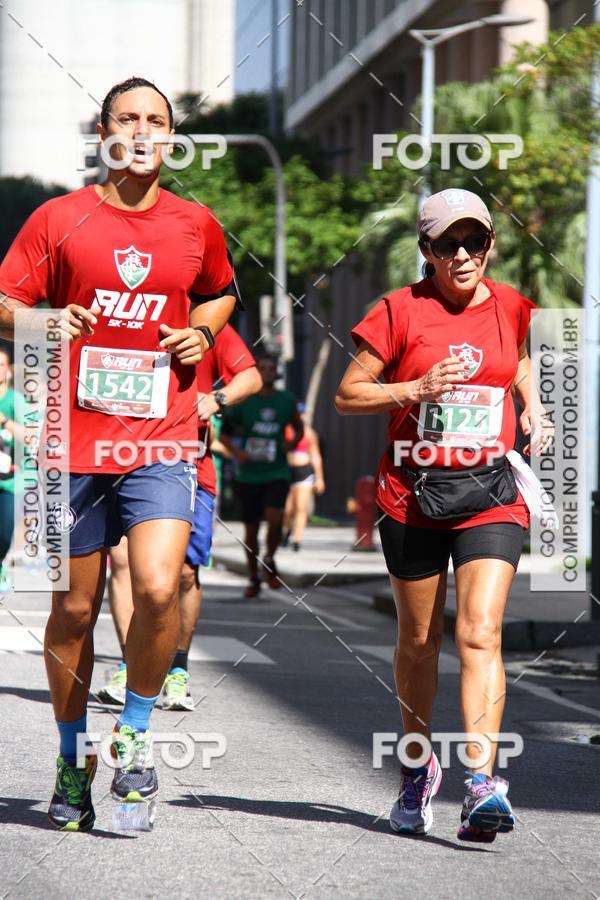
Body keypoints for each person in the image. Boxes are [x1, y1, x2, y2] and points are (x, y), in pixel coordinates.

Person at [0, 76, 240, 831]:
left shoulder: (196, 223)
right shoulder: (58, 218)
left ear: (171, 138)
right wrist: (43, 322)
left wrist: (201, 331)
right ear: (103, 133)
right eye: (127, 119)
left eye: (156, 121)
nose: (142, 131)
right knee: (74, 608)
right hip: (72, 442)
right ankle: (73, 760)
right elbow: (5, 302)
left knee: (160, 587)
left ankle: (133, 734)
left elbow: (221, 291)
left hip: (161, 436)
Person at [335, 188, 553, 843]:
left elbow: (519, 360)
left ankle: (481, 784)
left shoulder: (512, 305)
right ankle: (415, 766)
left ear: (490, 244)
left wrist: (535, 407)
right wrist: (414, 388)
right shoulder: (398, 311)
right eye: (447, 244)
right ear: (426, 250)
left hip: (491, 494)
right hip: (413, 494)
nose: (462, 255)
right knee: (418, 642)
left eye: (474, 241)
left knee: (480, 632)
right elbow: (348, 395)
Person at [99, 324, 262, 709]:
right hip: (118, 455)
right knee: (121, 561)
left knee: (185, 573)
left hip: (187, 462)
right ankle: (130, 664)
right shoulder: (126, 313)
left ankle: (178, 669)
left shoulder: (206, 325)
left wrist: (216, 398)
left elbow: (251, 377)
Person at [219, 354, 303, 598]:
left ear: (276, 372)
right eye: (262, 368)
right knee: (251, 529)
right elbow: (223, 433)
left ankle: (269, 558)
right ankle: (253, 575)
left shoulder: (286, 400)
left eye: (271, 368)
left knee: (275, 517)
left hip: (276, 471)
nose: (267, 372)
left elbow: (299, 428)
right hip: (248, 474)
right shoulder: (245, 401)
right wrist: (238, 453)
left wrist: (291, 444)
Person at [281, 405, 325, 551]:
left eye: (302, 414)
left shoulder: (309, 434)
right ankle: (286, 530)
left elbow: (316, 456)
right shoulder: (286, 431)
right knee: (287, 509)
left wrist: (319, 478)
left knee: (301, 508)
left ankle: (297, 539)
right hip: (288, 472)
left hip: (304, 472)